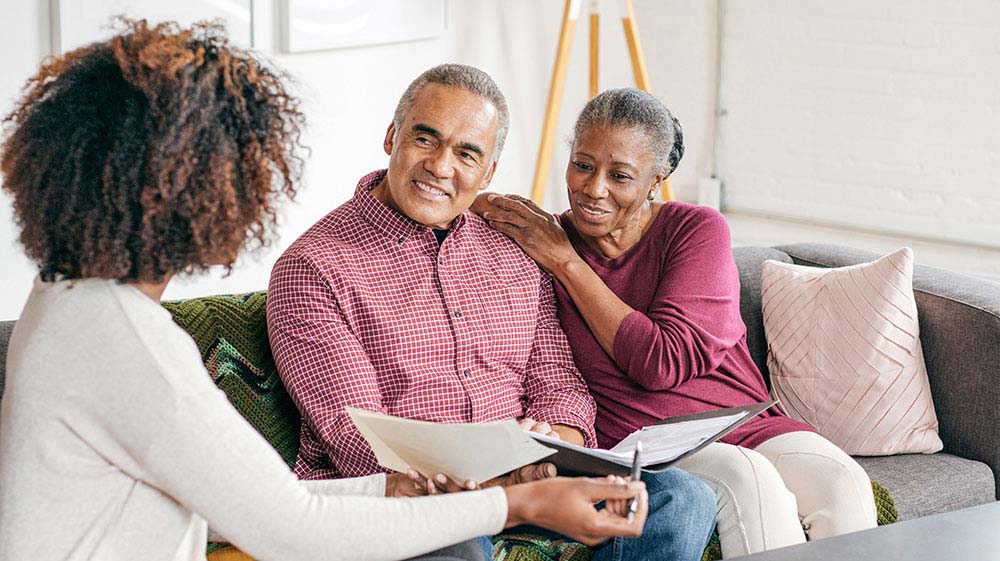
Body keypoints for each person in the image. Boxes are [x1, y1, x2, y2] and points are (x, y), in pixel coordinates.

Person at [0, 21, 654, 561]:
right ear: (193, 193)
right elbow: (288, 525)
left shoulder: (67, 302)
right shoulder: (128, 344)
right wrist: (516, 501)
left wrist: (399, 493)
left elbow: (239, 511)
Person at [267, 65, 716, 561]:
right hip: (416, 499)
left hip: (529, 478)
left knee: (680, 497)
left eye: (466, 153)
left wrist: (555, 443)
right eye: (425, 138)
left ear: (489, 173)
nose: (440, 166)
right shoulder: (313, 268)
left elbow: (559, 383)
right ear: (392, 136)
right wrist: (511, 489)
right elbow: (357, 440)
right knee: (455, 542)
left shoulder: (513, 249)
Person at [474, 87, 878, 559]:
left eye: (620, 175)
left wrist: (568, 264)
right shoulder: (545, 240)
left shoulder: (694, 230)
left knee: (842, 484)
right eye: (582, 165)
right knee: (750, 480)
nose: (593, 188)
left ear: (656, 179)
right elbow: (464, 205)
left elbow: (662, 361)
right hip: (643, 443)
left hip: (740, 421)